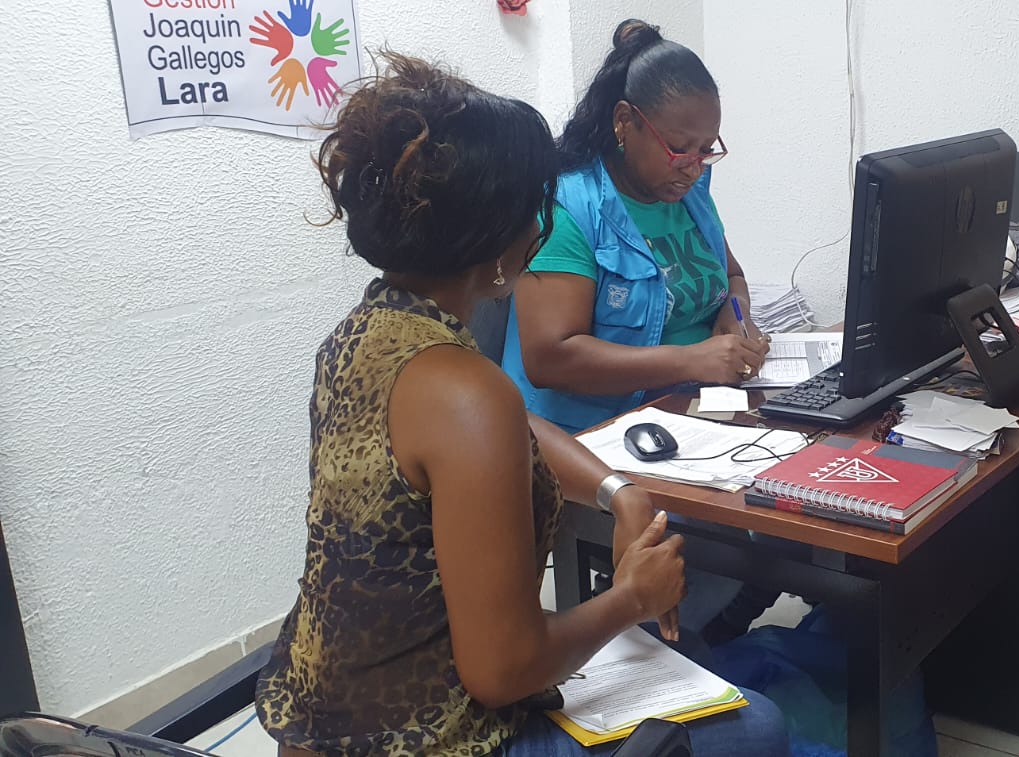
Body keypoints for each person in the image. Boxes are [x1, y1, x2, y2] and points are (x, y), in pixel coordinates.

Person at [253, 52, 787, 757]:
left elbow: (514, 420)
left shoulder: (366, 334)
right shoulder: (467, 397)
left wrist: (617, 490)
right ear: (498, 235)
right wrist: (632, 597)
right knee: (760, 728)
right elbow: (503, 672)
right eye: (538, 202)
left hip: (325, 724)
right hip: (427, 740)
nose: (547, 219)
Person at [501, 18, 770, 436]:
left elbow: (732, 276)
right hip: (594, 434)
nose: (694, 168)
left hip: (695, 411)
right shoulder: (567, 206)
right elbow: (549, 358)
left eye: (705, 150)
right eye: (678, 149)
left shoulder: (689, 193)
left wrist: (736, 316)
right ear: (625, 122)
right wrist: (691, 360)